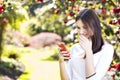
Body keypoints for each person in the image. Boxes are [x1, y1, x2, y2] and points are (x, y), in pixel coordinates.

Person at [58, 8, 114, 80]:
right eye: (78, 27)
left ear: (94, 26)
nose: (81, 32)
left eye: (85, 27)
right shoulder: (75, 48)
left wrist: (88, 51)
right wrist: (61, 62)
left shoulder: (107, 49)